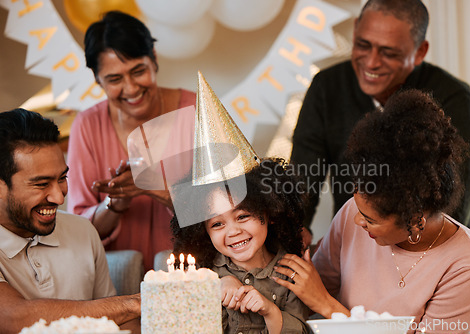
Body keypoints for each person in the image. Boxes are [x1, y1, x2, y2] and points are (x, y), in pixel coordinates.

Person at [274, 90, 470, 333]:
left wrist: (327, 306)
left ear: (414, 220)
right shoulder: (350, 214)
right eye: (357, 208)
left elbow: (319, 297)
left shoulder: (467, 265)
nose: (357, 221)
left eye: (370, 219)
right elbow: (307, 291)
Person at [291, 0, 470, 242]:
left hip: (432, 247)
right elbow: (301, 181)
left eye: (389, 53)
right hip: (357, 242)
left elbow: (453, 206)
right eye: (362, 45)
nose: (371, 62)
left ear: (420, 52)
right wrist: (293, 230)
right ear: (356, 28)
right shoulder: (326, 88)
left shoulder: (454, 98)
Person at [66, 11, 196, 271]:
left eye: (138, 71)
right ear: (96, 79)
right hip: (115, 278)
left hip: (191, 274)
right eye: (114, 79)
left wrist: (158, 190)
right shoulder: (87, 125)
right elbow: (79, 231)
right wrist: (115, 203)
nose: (131, 88)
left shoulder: (196, 110)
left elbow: (229, 212)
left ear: (154, 59)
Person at [0, 108, 141, 334]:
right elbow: (13, 317)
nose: (58, 196)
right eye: (41, 184)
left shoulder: (83, 230)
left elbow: (121, 321)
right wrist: (134, 304)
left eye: (62, 178)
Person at [171, 158, 310, 334]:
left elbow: (302, 331)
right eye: (217, 224)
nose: (233, 231)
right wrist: (214, 288)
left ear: (271, 212)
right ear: (202, 232)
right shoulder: (201, 273)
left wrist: (270, 311)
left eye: (242, 216)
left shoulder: (290, 272)